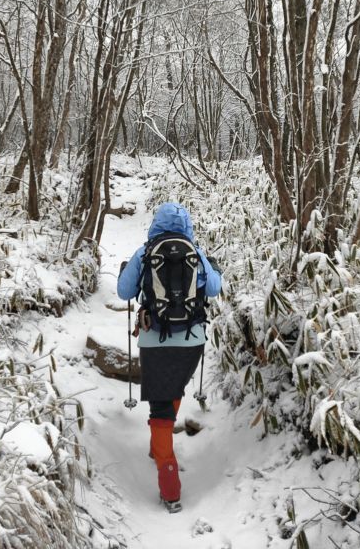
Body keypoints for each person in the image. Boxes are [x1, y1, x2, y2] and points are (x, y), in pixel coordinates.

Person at [117, 201, 222, 511]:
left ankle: (170, 487)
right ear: (187, 225)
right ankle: (156, 447)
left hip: (155, 341)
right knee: (171, 391)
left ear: (155, 224)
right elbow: (214, 288)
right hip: (192, 343)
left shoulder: (145, 252)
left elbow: (124, 293)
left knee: (161, 411)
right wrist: (210, 267)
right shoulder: (195, 251)